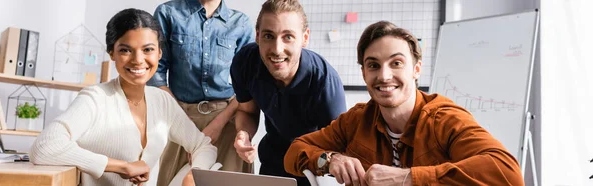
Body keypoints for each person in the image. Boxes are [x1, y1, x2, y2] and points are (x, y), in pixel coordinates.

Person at [283, 21, 524, 186]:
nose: (384, 76)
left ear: (416, 69)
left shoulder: (444, 119)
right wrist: (330, 159)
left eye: (396, 63)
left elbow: (508, 174)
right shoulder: (356, 119)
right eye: (373, 65)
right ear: (364, 73)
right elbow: (294, 152)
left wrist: (407, 178)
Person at [30, 8, 217, 186]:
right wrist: (120, 166)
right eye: (125, 50)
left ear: (159, 53)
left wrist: (194, 174)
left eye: (148, 49)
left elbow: (204, 146)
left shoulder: (163, 101)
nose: (138, 59)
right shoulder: (95, 98)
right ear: (112, 53)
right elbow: (44, 147)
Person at [230, 0, 347, 185]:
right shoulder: (245, 62)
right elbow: (247, 111)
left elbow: (340, 149)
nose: (277, 49)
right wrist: (243, 134)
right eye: (269, 36)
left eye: (288, 37)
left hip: (312, 167)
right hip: (272, 161)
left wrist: (321, 164)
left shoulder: (325, 82)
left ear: (305, 38)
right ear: (258, 36)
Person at [148, 0, 254, 184]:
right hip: (179, 117)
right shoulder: (168, 13)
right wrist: (183, 125)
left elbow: (248, 83)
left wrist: (218, 124)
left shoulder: (241, 23)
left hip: (227, 121)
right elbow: (155, 72)